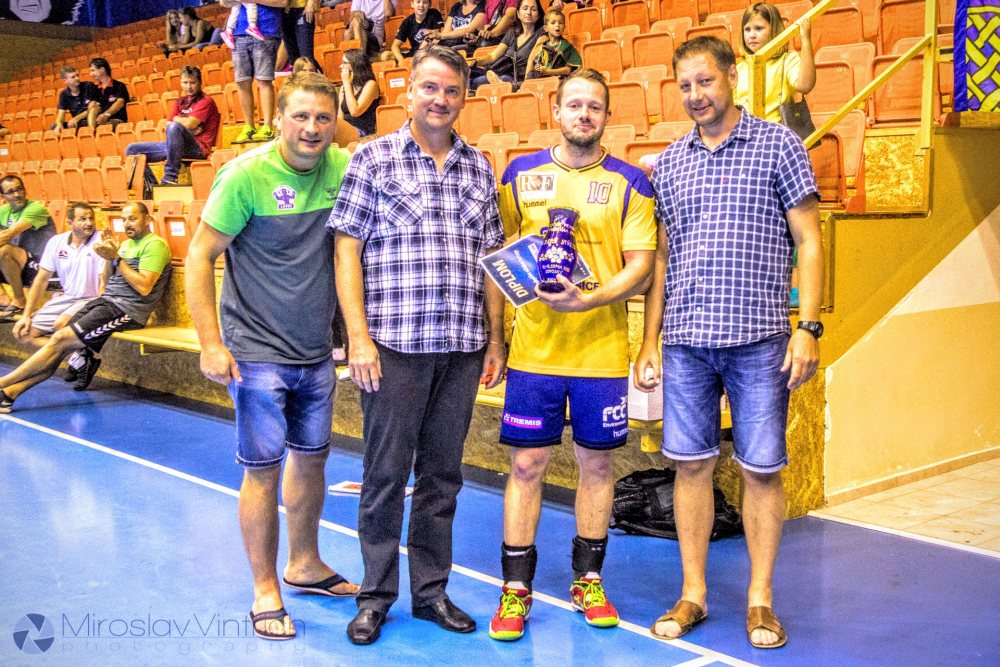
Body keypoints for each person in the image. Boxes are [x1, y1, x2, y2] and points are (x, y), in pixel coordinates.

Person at [635, 36, 823, 650]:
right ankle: (693, 593)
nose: (695, 95)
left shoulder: (780, 145)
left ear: (732, 77)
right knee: (691, 466)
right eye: (685, 85)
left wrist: (807, 326)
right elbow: (663, 259)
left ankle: (760, 599)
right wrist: (651, 340)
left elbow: (810, 241)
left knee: (761, 470)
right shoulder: (669, 163)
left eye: (705, 81)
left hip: (761, 341)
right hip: (686, 341)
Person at [329, 45, 507, 646]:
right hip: (393, 346)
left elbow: (491, 260)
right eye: (430, 87)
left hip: (461, 347)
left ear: (464, 98)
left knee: (442, 477)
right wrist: (357, 337)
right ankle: (375, 596)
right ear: (409, 91)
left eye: (452, 90)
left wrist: (495, 340)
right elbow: (347, 250)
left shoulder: (479, 167)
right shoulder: (372, 159)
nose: (440, 99)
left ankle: (430, 592)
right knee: (384, 475)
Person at [185, 71, 358, 642]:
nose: (312, 128)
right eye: (300, 116)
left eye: (323, 118)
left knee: (312, 460)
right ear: (277, 119)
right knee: (263, 471)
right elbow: (199, 257)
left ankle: (304, 563)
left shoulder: (341, 166)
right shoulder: (245, 176)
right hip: (257, 354)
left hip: (316, 352)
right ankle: (265, 589)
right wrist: (210, 342)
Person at [488, 68, 657, 642]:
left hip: (600, 354)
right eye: (575, 105)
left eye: (595, 106)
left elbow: (641, 268)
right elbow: (500, 258)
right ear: (555, 111)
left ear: (607, 116)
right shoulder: (518, 175)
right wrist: (495, 340)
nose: (584, 114)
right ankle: (516, 588)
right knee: (526, 466)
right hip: (533, 351)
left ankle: (588, 580)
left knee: (598, 467)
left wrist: (588, 300)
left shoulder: (632, 183)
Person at [0, 201, 172, 412]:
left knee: (60, 340)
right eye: (124, 219)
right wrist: (108, 258)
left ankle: (3, 383)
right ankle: (9, 394)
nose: (127, 223)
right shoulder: (126, 245)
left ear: (147, 219)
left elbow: (144, 287)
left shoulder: (155, 245)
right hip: (106, 302)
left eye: (133, 219)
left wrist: (117, 259)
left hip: (125, 310)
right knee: (60, 345)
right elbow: (108, 281)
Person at [12, 202, 106, 351]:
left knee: (60, 325)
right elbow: (41, 280)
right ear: (70, 222)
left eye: (91, 218)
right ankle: (79, 354)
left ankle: (74, 355)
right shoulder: (56, 242)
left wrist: (101, 310)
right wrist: (26, 315)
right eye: (82, 219)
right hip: (66, 298)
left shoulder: (101, 240)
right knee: (24, 333)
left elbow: (103, 282)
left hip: (91, 300)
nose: (89, 223)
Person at [125, 66, 221, 188]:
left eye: (192, 83)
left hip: (198, 148)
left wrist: (179, 123)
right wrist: (184, 126)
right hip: (176, 146)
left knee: (175, 128)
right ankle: (152, 187)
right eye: (185, 83)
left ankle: (170, 177)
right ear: (180, 83)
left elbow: (190, 123)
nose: (189, 87)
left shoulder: (206, 101)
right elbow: (168, 124)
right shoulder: (180, 101)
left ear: (200, 83)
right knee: (132, 150)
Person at [734, 2, 815, 124]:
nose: (752, 35)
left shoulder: (787, 60)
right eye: (747, 29)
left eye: (758, 28)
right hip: (746, 131)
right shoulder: (739, 68)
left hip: (776, 131)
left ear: (774, 30)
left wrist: (806, 41)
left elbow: (805, 86)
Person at [226, 0, 287, 144]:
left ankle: (267, 126)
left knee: (264, 80)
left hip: (265, 30)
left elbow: (283, 2)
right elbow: (224, 2)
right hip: (238, 32)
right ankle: (249, 126)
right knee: (242, 82)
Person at [0, 175, 56, 322]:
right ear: (3, 196)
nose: (16, 195)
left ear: (25, 190)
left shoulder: (35, 208)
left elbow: (7, 236)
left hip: (41, 264)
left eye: (19, 189)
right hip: (18, 264)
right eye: (10, 192)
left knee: (3, 251)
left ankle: (19, 300)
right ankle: (3, 298)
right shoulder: (3, 211)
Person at [469, 0, 543, 91]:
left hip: (516, 79)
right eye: (525, 8)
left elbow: (532, 59)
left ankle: (502, 84)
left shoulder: (541, 33)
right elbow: (492, 56)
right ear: (518, 14)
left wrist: (526, 84)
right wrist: (474, 62)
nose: (528, 12)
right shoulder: (512, 34)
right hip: (501, 72)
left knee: (477, 81)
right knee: (467, 72)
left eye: (533, 9)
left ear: (538, 15)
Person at [524, 9, 580, 81]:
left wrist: (548, 71)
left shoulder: (566, 46)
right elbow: (539, 62)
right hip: (542, 79)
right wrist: (539, 68)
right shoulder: (544, 45)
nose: (557, 25)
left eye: (560, 23)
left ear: (564, 27)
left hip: (558, 79)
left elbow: (567, 70)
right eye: (553, 23)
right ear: (546, 28)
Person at [382, 0, 443, 65]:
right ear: (412, 4)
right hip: (414, 53)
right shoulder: (407, 22)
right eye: (418, 2)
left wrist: (425, 45)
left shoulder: (434, 14)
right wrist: (401, 60)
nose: (421, 5)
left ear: (430, 4)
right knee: (385, 56)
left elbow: (437, 37)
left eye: (425, 2)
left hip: (431, 51)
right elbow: (395, 46)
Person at [338, 49, 380, 140]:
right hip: (346, 131)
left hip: (362, 131)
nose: (341, 66)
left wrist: (347, 84)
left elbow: (355, 111)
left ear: (355, 65)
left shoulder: (371, 85)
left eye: (344, 63)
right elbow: (340, 118)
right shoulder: (343, 88)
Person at [87, 57, 130, 129]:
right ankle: (92, 131)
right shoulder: (95, 89)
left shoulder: (119, 85)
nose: (91, 74)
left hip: (117, 120)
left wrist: (106, 114)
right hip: (99, 121)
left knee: (103, 127)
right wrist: (91, 104)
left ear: (102, 69)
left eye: (93, 70)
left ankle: (93, 131)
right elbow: (93, 106)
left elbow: (120, 102)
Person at [54, 66, 99, 132]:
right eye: (73, 77)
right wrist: (59, 124)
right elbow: (60, 116)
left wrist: (76, 118)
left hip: (92, 119)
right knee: (54, 127)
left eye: (77, 75)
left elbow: (95, 107)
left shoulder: (88, 86)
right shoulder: (64, 94)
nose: (77, 78)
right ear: (65, 81)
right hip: (77, 123)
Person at [281, 0, 321, 72]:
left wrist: (310, 3)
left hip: (302, 9)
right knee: (293, 59)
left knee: (306, 56)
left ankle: (316, 77)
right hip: (283, 11)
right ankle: (299, 79)